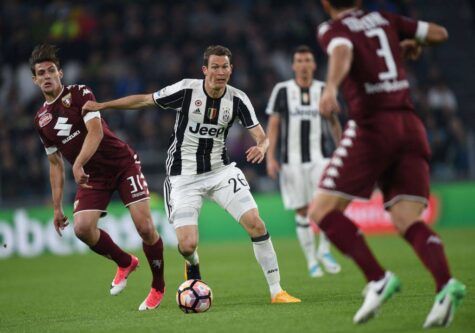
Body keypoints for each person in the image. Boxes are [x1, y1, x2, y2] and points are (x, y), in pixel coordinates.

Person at [82, 45, 301, 304]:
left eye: (225, 67)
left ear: (231, 69)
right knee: (186, 245)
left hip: (221, 172)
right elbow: (144, 100)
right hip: (183, 177)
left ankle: (277, 291)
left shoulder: (238, 99)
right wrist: (103, 105)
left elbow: (262, 136)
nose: (221, 72)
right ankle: (193, 264)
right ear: (205, 70)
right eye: (215, 67)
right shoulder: (187, 90)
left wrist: (262, 148)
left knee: (256, 224)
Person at [309, 0, 466, 327]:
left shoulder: (333, 29)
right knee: (407, 219)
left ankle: (378, 279)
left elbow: (341, 52)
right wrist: (408, 43)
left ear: (325, 4)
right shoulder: (385, 19)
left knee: (321, 211)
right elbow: (440, 33)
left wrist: (331, 88)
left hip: (371, 126)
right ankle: (446, 283)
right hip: (410, 126)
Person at [31, 44, 165, 311]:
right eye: (41, 73)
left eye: (51, 71)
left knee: (146, 228)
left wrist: (78, 163)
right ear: (34, 80)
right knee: (82, 228)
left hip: (121, 164)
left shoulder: (80, 93)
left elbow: (96, 132)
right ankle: (125, 262)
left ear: (60, 73)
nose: (47, 76)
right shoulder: (41, 120)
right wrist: (57, 206)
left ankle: (158, 286)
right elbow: (55, 164)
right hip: (93, 176)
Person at [266, 45, 342, 278]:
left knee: (327, 205)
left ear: (314, 64)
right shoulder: (282, 90)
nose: (303, 64)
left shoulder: (324, 90)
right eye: (299, 60)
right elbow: (274, 125)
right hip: (292, 161)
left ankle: (325, 250)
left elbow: (333, 123)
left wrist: (342, 151)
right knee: (302, 210)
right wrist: (271, 157)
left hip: (321, 157)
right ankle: (311, 261)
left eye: (307, 60)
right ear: (293, 65)